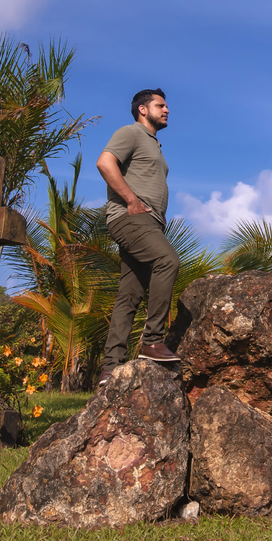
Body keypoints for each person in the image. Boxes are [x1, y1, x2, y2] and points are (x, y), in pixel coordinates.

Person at [95, 88, 181, 387]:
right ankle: (152, 341)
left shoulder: (154, 144)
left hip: (150, 224)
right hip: (132, 219)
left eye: (167, 105)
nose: (167, 109)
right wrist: (131, 200)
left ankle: (110, 367)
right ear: (143, 109)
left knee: (128, 296)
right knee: (167, 260)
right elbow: (105, 163)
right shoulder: (130, 132)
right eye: (161, 105)